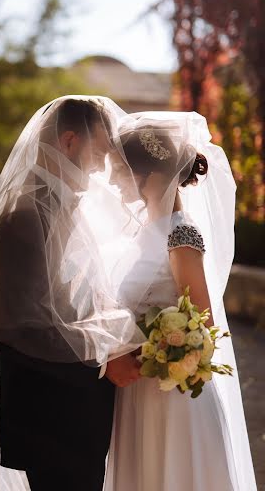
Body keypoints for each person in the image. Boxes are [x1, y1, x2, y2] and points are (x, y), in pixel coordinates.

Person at [0, 96, 144, 491]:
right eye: (97, 152)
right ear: (69, 141)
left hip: (71, 412)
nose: (100, 167)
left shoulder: (58, 209)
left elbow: (72, 304)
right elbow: (20, 329)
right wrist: (106, 351)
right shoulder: (25, 217)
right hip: (52, 417)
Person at [101, 112, 257, 491]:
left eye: (120, 170)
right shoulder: (144, 233)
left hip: (171, 397)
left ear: (150, 175)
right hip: (138, 393)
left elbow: (201, 323)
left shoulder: (180, 234)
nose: (113, 180)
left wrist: (156, 353)